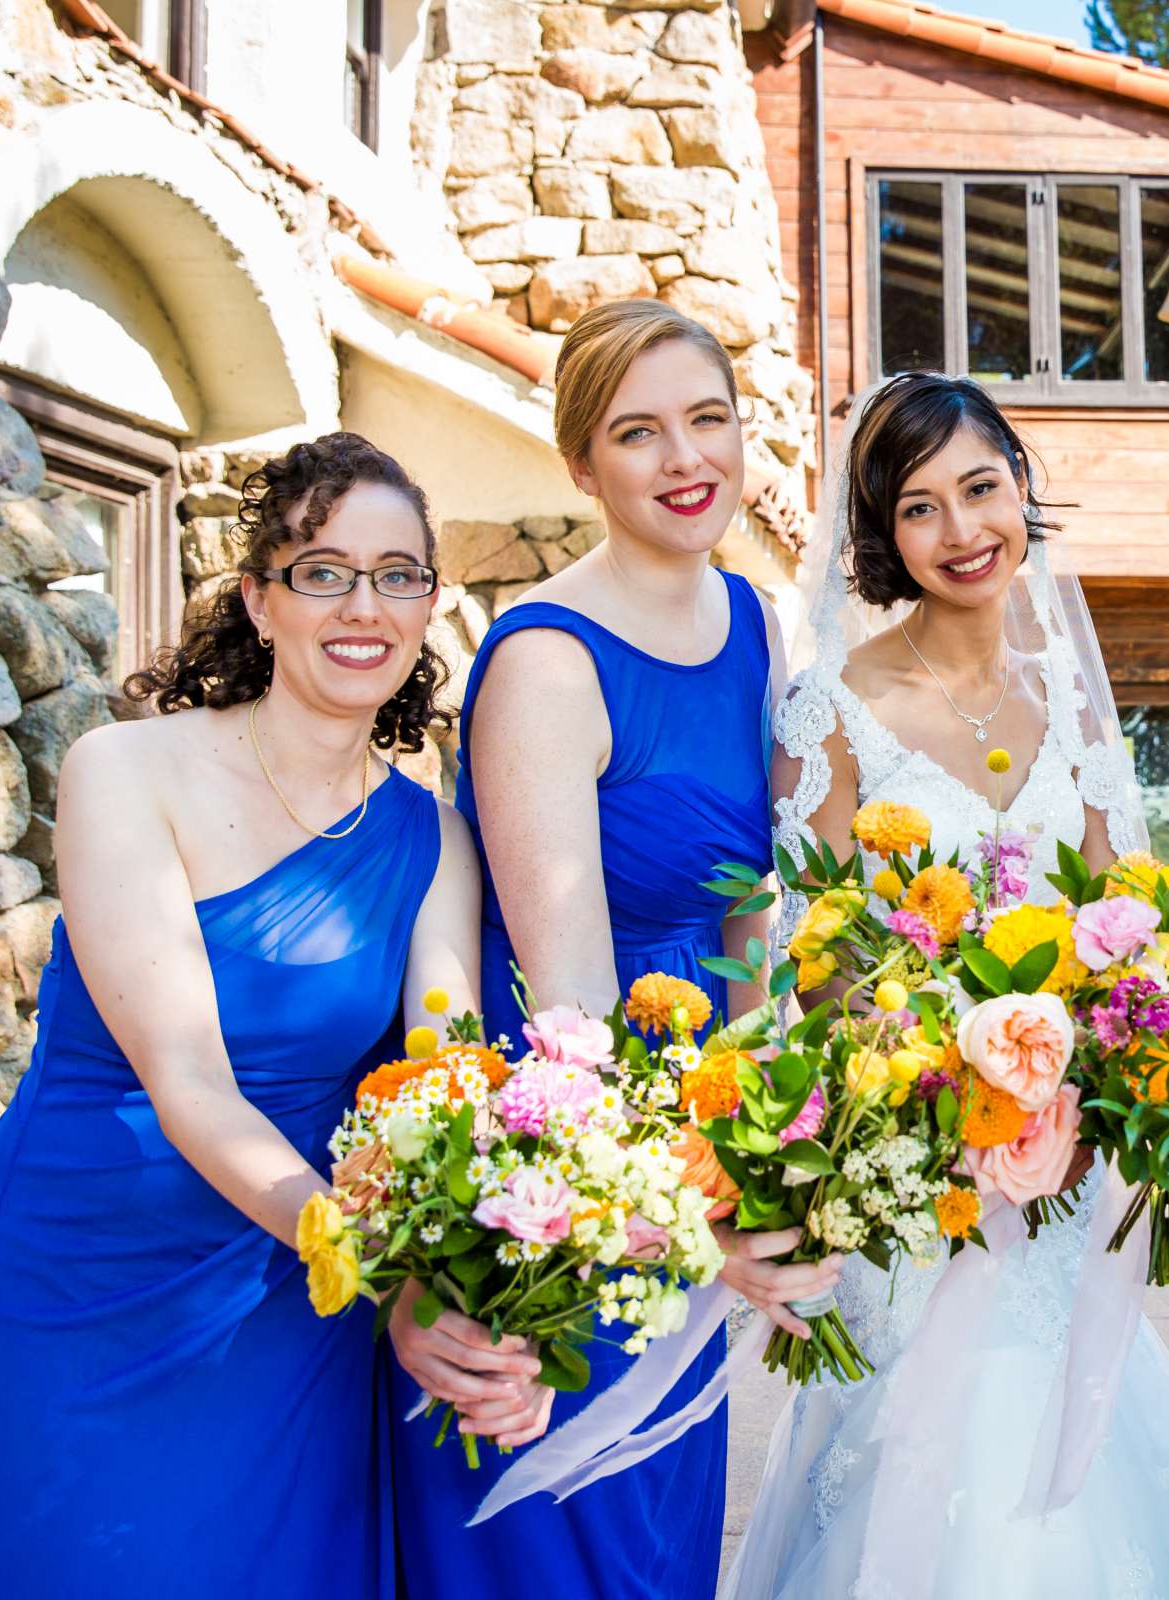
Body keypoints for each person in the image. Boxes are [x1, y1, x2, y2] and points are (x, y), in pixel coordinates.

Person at [0, 433, 535, 1598]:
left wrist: (475, 1296)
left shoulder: (432, 839)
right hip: (87, 1271)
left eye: (398, 573)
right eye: (323, 571)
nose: (363, 605)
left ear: (430, 603)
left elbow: (444, 1089)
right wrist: (384, 1269)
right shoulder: (125, 771)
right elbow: (188, 1079)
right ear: (263, 601)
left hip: (289, 1292)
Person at [730, 371, 1169, 1598]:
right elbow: (822, 962)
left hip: (1072, 1167)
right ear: (881, 532)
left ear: (1023, 487)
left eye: (981, 488)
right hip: (925, 1174)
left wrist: (1110, 1076)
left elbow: (1130, 924)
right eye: (920, 507)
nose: (962, 532)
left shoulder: (1069, 688)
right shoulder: (834, 708)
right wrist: (956, 1093)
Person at [391, 300, 833, 1597]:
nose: (686, 458)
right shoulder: (545, 660)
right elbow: (568, 1000)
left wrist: (783, 1132)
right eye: (639, 433)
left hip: (704, 1115)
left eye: (709, 420)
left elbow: (754, 915)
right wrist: (684, 1210)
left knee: (665, 1518)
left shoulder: (756, 623)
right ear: (582, 463)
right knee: (574, 1529)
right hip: (574, 1154)